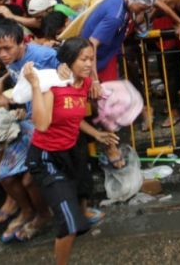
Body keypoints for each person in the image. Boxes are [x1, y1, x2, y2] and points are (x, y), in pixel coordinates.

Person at [26, 37, 119, 265]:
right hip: (46, 158)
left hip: (69, 152)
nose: (89, 64)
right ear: (68, 60)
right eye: (83, 59)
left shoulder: (84, 83)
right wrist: (37, 87)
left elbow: (71, 119)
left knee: (81, 194)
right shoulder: (53, 86)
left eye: (91, 59)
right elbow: (41, 125)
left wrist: (97, 135)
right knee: (69, 224)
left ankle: (77, 214)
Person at [0, 21, 65, 241]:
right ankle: (26, 211)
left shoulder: (42, 56)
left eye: (7, 48)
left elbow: (66, 81)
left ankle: (43, 215)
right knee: (4, 176)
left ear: (22, 43)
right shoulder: (12, 61)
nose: (2, 54)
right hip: (27, 122)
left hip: (49, 123)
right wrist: (21, 107)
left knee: (30, 181)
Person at [80, 0, 158, 167]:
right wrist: (95, 80)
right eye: (141, 7)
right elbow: (91, 45)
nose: (142, 11)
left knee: (110, 101)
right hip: (91, 61)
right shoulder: (115, 15)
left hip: (107, 56)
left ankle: (110, 137)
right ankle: (109, 146)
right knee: (103, 103)